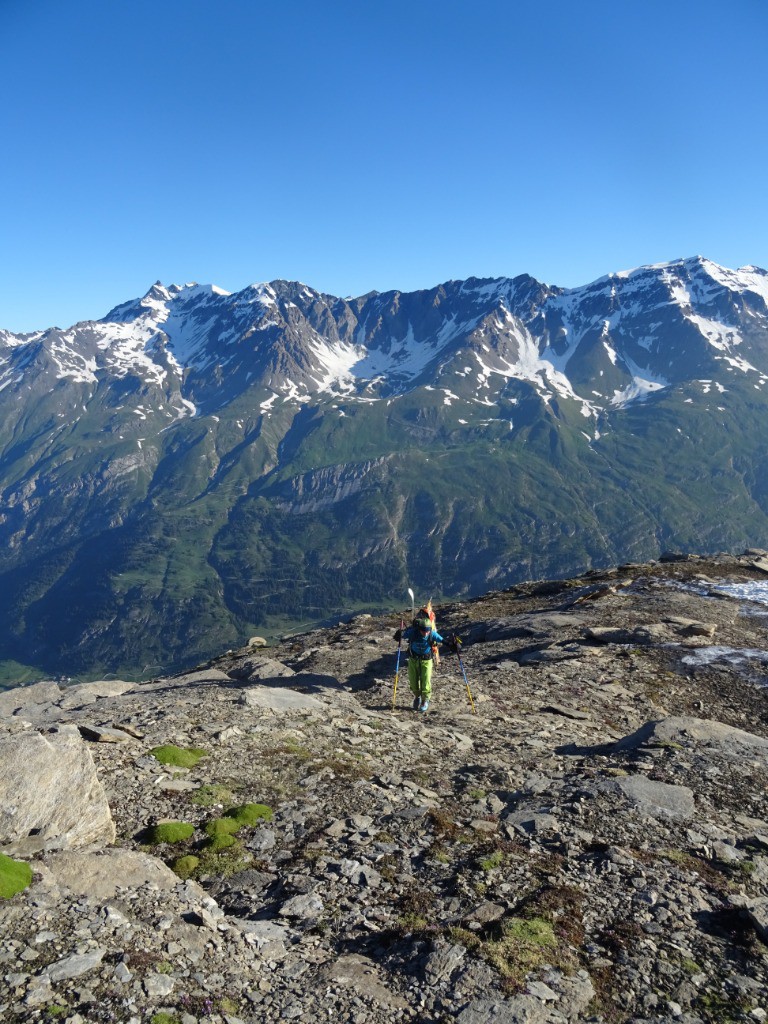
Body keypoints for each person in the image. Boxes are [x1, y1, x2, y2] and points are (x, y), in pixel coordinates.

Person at [395, 615, 444, 713]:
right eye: (423, 631)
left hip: (426, 661)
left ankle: (425, 700)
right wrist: (399, 634)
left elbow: (444, 641)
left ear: (430, 630)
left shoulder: (432, 634)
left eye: (427, 631)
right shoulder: (413, 633)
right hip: (413, 660)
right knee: (413, 681)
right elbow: (402, 635)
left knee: (425, 681)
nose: (425, 633)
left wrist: (453, 644)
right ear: (419, 629)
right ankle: (417, 696)